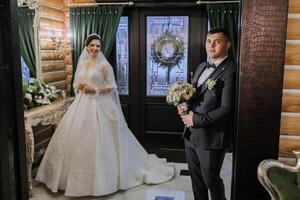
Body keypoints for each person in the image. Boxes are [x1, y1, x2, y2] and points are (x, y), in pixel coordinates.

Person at [36, 33, 175, 197]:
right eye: (92, 45)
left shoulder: (104, 65)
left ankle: (104, 180)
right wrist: (80, 87)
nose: (95, 48)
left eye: (98, 46)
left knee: (104, 140)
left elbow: (112, 87)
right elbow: (76, 84)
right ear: (86, 47)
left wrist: (93, 90)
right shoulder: (82, 64)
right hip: (82, 105)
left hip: (100, 105)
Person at [177, 28, 236, 200]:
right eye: (209, 41)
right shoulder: (202, 66)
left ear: (228, 45)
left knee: (211, 181)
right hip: (190, 135)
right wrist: (185, 105)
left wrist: (195, 119)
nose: (212, 45)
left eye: (217, 41)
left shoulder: (231, 70)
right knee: (197, 182)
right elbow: (194, 95)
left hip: (211, 138)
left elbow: (227, 110)